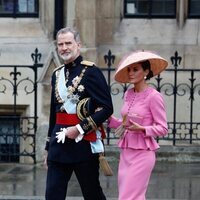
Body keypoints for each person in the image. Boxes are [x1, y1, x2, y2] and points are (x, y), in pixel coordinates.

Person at [44, 26, 113, 200]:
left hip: (83, 145)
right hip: (58, 146)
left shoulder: (91, 72)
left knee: (92, 194)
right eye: (60, 44)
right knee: (52, 195)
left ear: (78, 45)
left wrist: (80, 129)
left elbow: (107, 107)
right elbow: (54, 113)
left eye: (68, 43)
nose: (64, 48)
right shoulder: (56, 74)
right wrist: (48, 147)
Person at [108, 50, 168, 200]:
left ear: (146, 71)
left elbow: (163, 128)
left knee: (129, 197)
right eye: (129, 69)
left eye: (135, 69)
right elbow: (124, 124)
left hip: (143, 154)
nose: (130, 73)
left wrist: (142, 128)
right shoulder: (129, 93)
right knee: (128, 196)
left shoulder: (154, 96)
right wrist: (106, 117)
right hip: (126, 153)